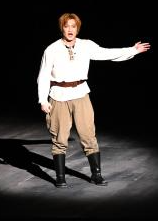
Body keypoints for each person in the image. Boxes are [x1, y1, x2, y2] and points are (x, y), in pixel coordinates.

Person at [37, 12, 150, 187]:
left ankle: (96, 175)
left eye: (73, 26)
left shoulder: (86, 45)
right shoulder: (51, 49)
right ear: (62, 28)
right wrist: (43, 100)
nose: (70, 30)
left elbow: (107, 53)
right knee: (59, 138)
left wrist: (132, 50)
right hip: (59, 96)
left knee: (88, 135)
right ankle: (60, 177)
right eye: (67, 26)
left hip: (81, 94)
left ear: (77, 29)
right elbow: (43, 76)